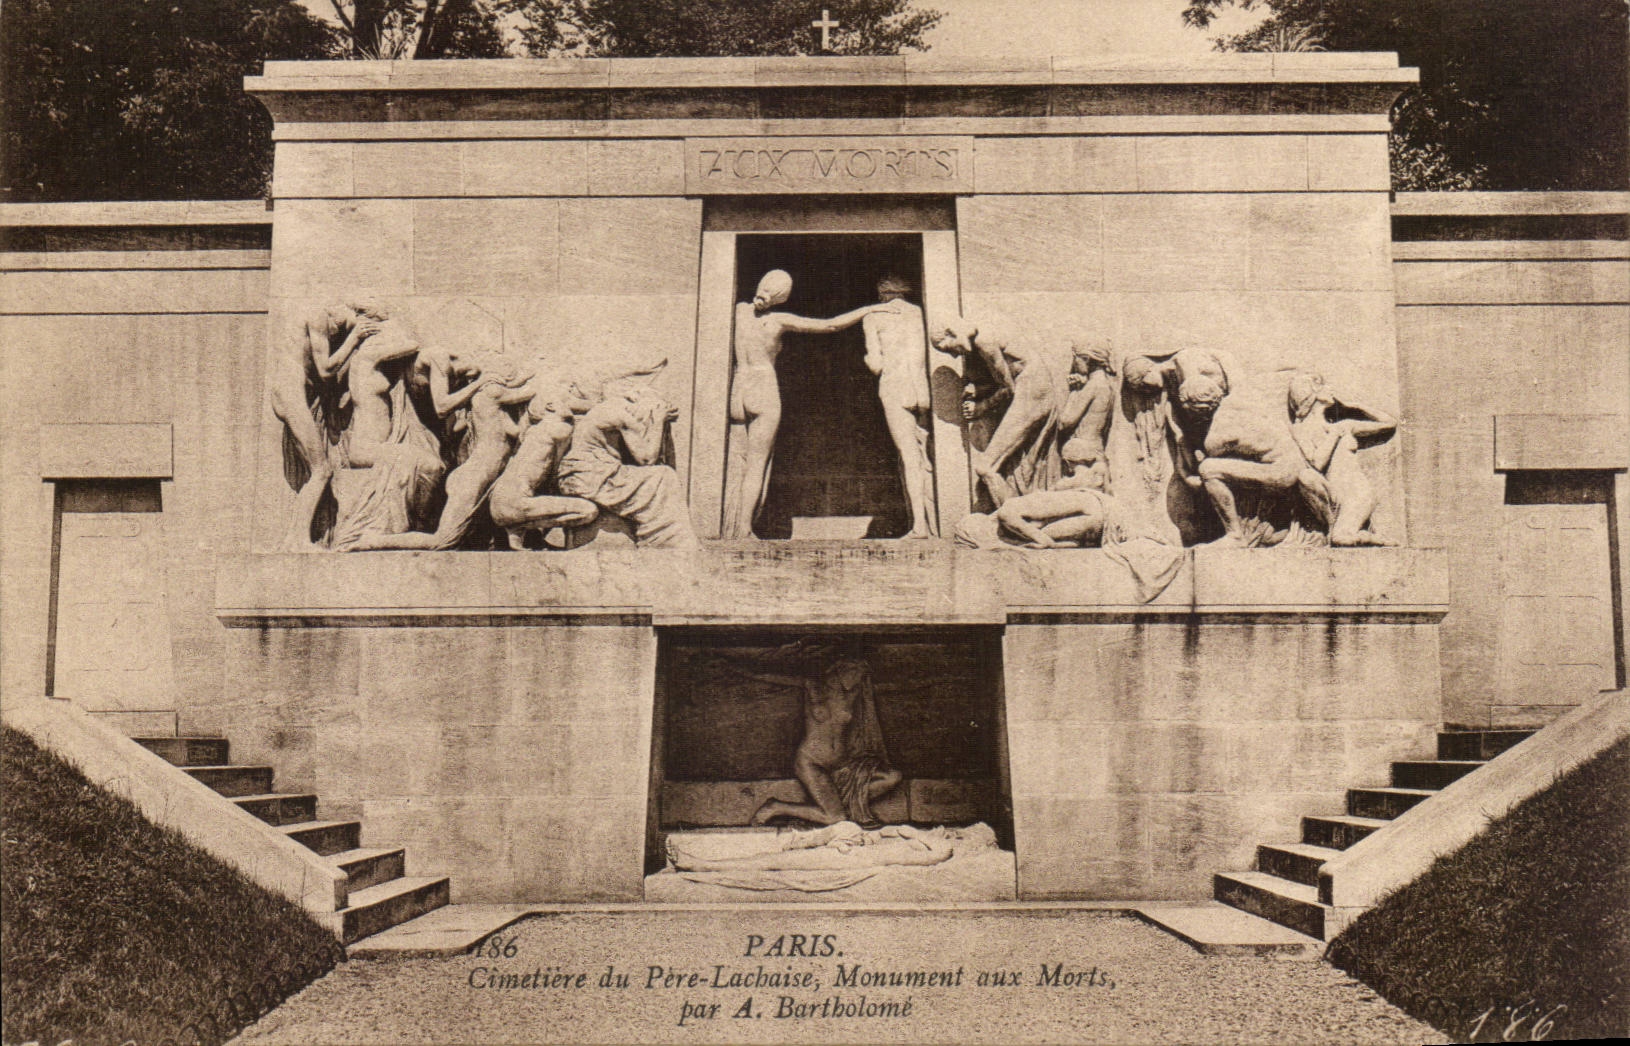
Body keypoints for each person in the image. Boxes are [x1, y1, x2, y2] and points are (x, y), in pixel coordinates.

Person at [723, 270, 896, 538]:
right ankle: (743, 528)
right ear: (782, 298)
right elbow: (830, 326)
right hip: (762, 387)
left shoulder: (738, 311)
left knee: (737, 459)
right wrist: (869, 308)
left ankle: (728, 525)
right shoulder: (779, 320)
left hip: (739, 387)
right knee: (756, 464)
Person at [1127, 347, 1331, 547]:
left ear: (1195, 412)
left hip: (1282, 473)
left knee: (1209, 469)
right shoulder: (1239, 397)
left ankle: (1235, 535)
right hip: (1293, 464)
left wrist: (1184, 452)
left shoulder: (1215, 438)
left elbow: (1200, 472)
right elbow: (1229, 363)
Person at [352, 355, 535, 551]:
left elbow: (509, 429)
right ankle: (374, 541)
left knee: (456, 539)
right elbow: (529, 392)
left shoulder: (489, 404)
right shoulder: (492, 392)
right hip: (472, 481)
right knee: (441, 541)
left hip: (474, 477)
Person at [269, 301, 383, 550]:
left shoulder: (322, 323)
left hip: (293, 394)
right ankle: (297, 540)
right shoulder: (318, 314)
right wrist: (355, 337)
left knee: (318, 470)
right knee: (321, 470)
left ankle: (294, 539)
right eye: (366, 324)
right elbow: (326, 369)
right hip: (290, 393)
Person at [932, 317, 1062, 506]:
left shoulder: (984, 341)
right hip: (1032, 390)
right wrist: (978, 391)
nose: (953, 355)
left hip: (1032, 392)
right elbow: (1003, 382)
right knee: (1015, 466)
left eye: (947, 348)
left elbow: (1008, 389)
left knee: (985, 465)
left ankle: (1013, 516)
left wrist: (982, 406)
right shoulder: (984, 333)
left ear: (951, 333)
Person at [557, 383, 698, 548]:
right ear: (637, 399)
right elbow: (646, 459)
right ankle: (661, 540)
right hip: (592, 476)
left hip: (586, 474)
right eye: (655, 407)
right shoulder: (621, 415)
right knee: (664, 476)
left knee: (658, 475)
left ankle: (661, 537)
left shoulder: (607, 409)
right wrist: (658, 419)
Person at [861, 275, 936, 538]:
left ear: (881, 294)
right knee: (925, 456)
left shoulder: (873, 317)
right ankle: (933, 520)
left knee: (909, 457)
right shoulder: (918, 312)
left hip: (895, 387)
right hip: (921, 389)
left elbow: (876, 365)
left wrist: (866, 358)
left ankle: (920, 525)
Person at [1287, 371, 1398, 546]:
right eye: (1323, 386)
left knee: (1341, 537)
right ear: (1312, 394)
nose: (1330, 389)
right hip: (1333, 494)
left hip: (1357, 491)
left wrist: (1357, 407)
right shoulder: (1301, 429)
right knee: (1305, 477)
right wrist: (1335, 434)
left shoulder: (1345, 425)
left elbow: (1389, 424)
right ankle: (1369, 537)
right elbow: (1316, 463)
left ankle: (1371, 538)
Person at [488, 381, 600, 549]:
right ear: (550, 406)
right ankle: (520, 526)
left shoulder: (535, 430)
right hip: (516, 503)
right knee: (588, 511)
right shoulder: (560, 429)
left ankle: (516, 530)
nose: (572, 405)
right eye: (567, 400)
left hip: (499, 502)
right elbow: (558, 473)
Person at [668, 822, 998, 873]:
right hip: (854, 845)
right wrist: (868, 836)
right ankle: (793, 840)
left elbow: (932, 852)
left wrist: (916, 833)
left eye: (962, 834)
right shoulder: (927, 841)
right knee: (845, 825)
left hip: (852, 859)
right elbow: (884, 831)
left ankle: (702, 865)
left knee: (771, 863)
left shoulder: (941, 850)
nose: (954, 833)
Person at [1058, 341, 1116, 491]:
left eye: (1075, 359)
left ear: (1086, 359)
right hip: (1097, 448)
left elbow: (1065, 421)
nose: (1074, 364)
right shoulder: (1108, 386)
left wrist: (1074, 391)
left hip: (1081, 451)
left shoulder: (1093, 385)